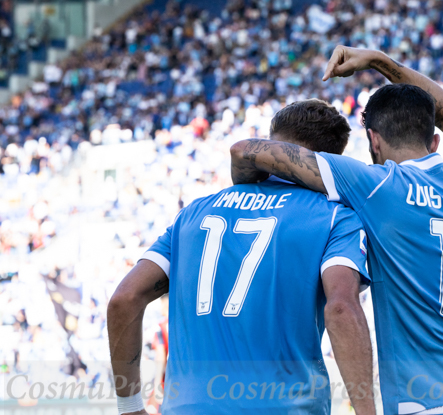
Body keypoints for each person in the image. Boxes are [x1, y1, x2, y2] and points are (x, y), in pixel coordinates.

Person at [230, 46, 443, 415]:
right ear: (435, 141)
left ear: (374, 140)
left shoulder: (378, 186)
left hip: (431, 404)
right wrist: (380, 61)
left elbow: (246, 150)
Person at [108, 99, 376, 415]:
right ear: (331, 160)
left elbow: (124, 300)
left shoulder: (192, 214)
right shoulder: (335, 218)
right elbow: (342, 308)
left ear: (270, 140)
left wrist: (130, 406)